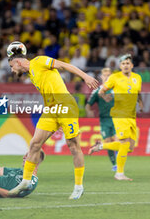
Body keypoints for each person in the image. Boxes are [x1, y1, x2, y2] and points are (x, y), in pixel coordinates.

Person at [6, 41, 98, 199]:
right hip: (51, 109)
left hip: (66, 105)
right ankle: (26, 181)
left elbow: (63, 65)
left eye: (12, 67)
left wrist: (84, 76)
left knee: (73, 145)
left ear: (18, 62)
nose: (12, 71)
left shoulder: (39, 61)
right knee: (35, 144)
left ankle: (78, 186)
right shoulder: (32, 74)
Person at [89, 54, 143, 181]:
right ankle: (119, 173)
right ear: (120, 66)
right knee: (124, 143)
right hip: (119, 114)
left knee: (130, 147)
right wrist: (105, 96)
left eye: (128, 63)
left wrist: (141, 103)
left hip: (131, 115)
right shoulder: (114, 77)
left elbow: (138, 93)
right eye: (123, 64)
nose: (125, 65)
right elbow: (101, 91)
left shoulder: (137, 78)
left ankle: (101, 146)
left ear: (132, 66)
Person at [85, 68, 117, 171]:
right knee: (107, 141)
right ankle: (114, 164)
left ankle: (118, 160)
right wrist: (89, 111)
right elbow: (88, 105)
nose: (107, 77)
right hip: (104, 121)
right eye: (105, 75)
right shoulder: (97, 91)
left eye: (109, 75)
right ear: (101, 77)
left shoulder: (116, 90)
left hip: (117, 119)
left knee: (118, 141)